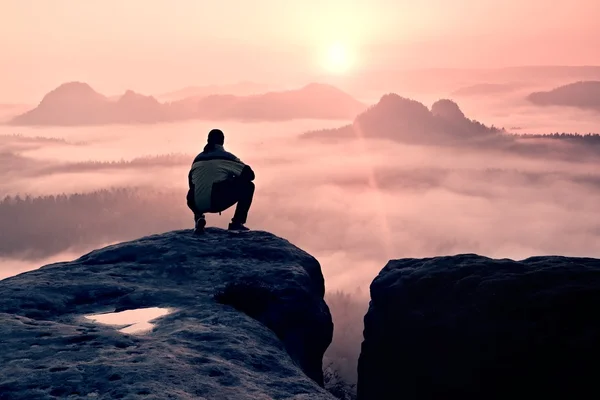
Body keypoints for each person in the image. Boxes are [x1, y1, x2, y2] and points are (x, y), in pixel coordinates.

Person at [186, 129, 255, 233]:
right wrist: (232, 179)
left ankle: (199, 217)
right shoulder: (227, 157)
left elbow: (191, 182)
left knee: (193, 190)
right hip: (216, 200)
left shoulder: (197, 159)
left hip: (196, 203)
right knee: (249, 186)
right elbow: (250, 175)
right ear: (222, 141)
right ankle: (237, 222)